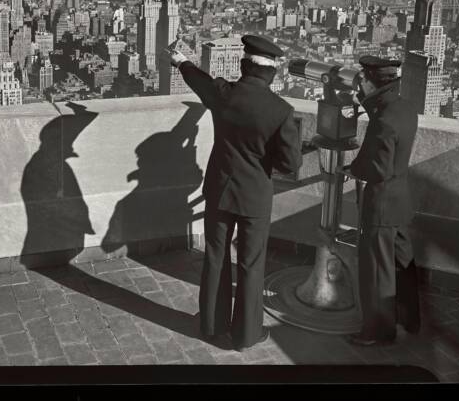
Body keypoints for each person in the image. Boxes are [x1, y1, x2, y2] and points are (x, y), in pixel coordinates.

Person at [161, 35, 302, 351]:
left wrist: (180, 60)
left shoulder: (224, 94)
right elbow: (290, 163)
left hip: (220, 189)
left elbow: (200, 81)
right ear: (272, 73)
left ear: (243, 65)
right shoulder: (281, 111)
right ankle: (246, 334)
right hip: (255, 198)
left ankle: (211, 325)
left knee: (215, 255)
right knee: (251, 264)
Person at [337, 55, 421, 346]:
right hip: (401, 201)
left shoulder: (383, 120)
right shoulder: (404, 109)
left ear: (372, 80)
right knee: (402, 262)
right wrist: (365, 97)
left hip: (381, 206)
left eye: (363, 79)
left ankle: (377, 332)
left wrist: (353, 169)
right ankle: (410, 319)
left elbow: (378, 169)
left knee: (376, 271)